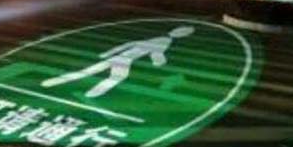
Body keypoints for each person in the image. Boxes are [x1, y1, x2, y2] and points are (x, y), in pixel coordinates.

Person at [42, 26, 195, 98]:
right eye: (184, 32)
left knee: (90, 71)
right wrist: (159, 62)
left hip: (122, 57)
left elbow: (132, 43)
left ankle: (53, 82)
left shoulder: (163, 39)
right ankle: (92, 93)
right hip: (124, 59)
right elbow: (155, 52)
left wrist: (108, 52)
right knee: (115, 77)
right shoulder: (164, 41)